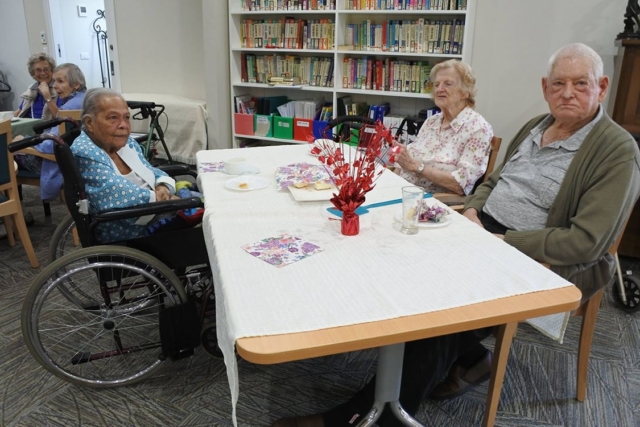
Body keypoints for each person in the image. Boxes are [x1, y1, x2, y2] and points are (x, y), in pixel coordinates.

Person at [272, 43, 640, 427]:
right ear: (545, 87)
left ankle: (366, 418)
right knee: (400, 267)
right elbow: (492, 182)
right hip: (482, 230)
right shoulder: (537, 126)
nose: (567, 93)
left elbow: (586, 242)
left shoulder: (616, 150)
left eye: (580, 84)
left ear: (602, 87)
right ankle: (470, 357)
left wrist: (505, 242)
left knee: (441, 311)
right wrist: (472, 212)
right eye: (559, 84)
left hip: (538, 256)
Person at [71, 88, 178, 243]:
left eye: (126, 117)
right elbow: (114, 191)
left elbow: (151, 171)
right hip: (129, 230)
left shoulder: (126, 143)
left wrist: (163, 187)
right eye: (113, 118)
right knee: (202, 215)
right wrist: (161, 199)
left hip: (153, 210)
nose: (123, 125)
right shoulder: (85, 150)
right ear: (89, 123)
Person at [392, 59, 493, 195]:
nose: (439, 89)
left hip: (431, 201)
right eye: (436, 84)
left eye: (448, 84)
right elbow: (406, 162)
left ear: (465, 92)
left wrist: (416, 167)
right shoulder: (431, 122)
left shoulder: (478, 128)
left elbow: (461, 184)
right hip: (401, 191)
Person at [14, 63, 88, 201]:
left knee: (8, 153)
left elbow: (51, 145)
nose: (54, 86)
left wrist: (25, 141)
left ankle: (11, 205)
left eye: (60, 81)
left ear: (76, 84)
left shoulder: (68, 108)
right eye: (54, 81)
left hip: (62, 164)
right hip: (81, 161)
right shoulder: (88, 100)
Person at [14, 53, 63, 119]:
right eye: (38, 70)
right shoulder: (31, 89)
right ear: (33, 73)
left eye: (46, 69)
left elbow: (61, 117)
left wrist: (47, 96)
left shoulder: (59, 88)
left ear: (52, 71)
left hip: (49, 124)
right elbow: (19, 112)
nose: (43, 73)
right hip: (28, 123)